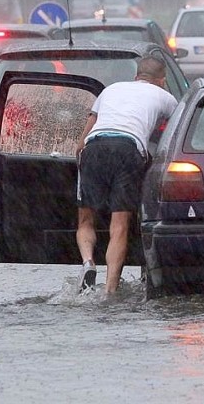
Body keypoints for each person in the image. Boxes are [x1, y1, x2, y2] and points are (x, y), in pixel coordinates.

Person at [75, 56, 178, 294]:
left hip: (95, 147)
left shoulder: (110, 90)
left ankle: (88, 262)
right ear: (161, 81)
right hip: (129, 149)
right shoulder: (165, 97)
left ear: (136, 76)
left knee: (85, 219)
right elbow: (176, 129)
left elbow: (87, 131)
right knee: (119, 224)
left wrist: (80, 153)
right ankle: (110, 289)